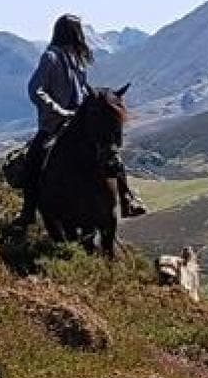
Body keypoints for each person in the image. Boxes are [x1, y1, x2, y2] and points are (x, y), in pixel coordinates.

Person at [16, 13, 146, 227]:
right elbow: (35, 89)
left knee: (110, 153)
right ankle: (28, 210)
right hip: (54, 123)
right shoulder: (50, 58)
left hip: (81, 120)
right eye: (79, 32)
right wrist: (57, 110)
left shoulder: (78, 60)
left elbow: (83, 89)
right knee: (34, 160)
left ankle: (127, 198)